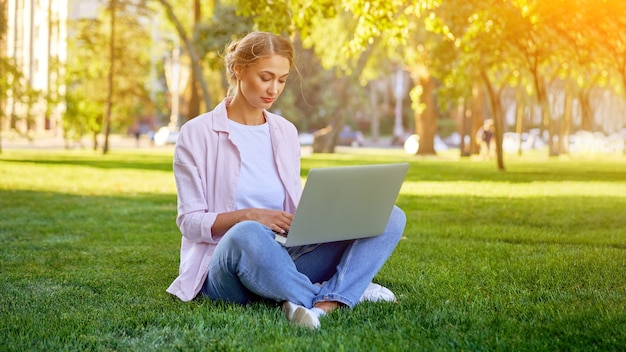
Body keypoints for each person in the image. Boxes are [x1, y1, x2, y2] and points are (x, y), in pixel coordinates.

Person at [166, 31, 407, 329]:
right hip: (227, 263)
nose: (274, 89)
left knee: (390, 215)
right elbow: (189, 222)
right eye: (266, 77)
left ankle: (324, 304)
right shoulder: (197, 133)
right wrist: (250, 216)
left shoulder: (285, 132)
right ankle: (345, 292)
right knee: (247, 233)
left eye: (281, 80)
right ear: (238, 69)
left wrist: (324, 215)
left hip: (285, 251)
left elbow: (291, 205)